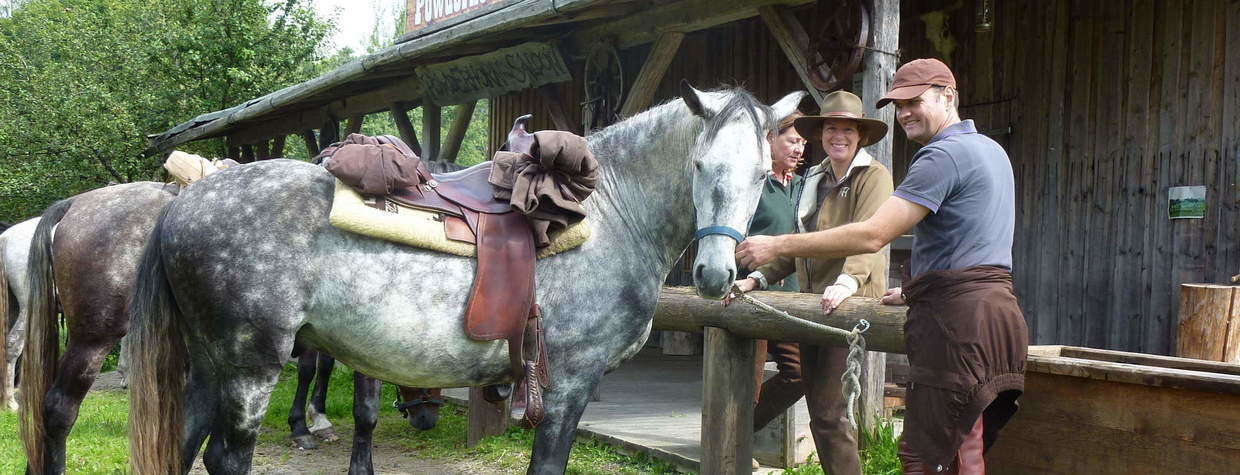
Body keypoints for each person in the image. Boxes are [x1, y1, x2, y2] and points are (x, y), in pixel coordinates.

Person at [735, 58, 1028, 475]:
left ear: (949, 96)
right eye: (898, 104)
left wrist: (778, 244)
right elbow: (972, 239)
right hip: (997, 315)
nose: (905, 112)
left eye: (914, 101)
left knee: (930, 457)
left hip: (959, 322)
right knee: (965, 447)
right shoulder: (991, 150)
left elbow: (873, 235)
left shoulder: (940, 157)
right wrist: (914, 289)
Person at [734, 90, 894, 474]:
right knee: (820, 409)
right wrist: (758, 277)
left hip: (847, 307)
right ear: (821, 133)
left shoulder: (873, 176)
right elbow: (799, 244)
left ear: (861, 135)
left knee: (828, 412)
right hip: (812, 304)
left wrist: (847, 282)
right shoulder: (815, 178)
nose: (839, 136)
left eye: (847, 129)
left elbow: (870, 238)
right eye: (831, 128)